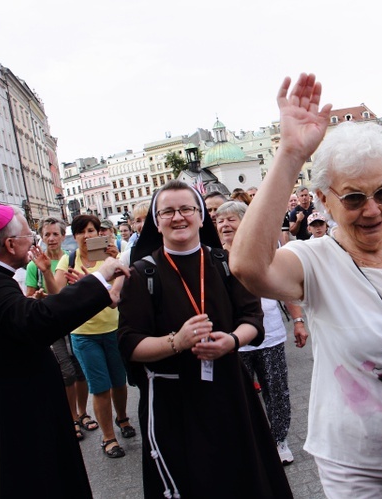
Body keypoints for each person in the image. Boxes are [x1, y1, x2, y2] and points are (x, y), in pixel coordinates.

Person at [231, 74, 382, 498]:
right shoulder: (315, 260)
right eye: (353, 198)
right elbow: (249, 267)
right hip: (354, 463)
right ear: (324, 199)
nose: (372, 211)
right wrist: (290, 154)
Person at [117, 180, 293, 498]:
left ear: (201, 217)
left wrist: (232, 341)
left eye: (186, 208)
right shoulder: (142, 275)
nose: (178, 217)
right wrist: (177, 341)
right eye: (168, 211)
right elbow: (129, 345)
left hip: (229, 389)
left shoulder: (226, 263)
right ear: (156, 222)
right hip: (174, 400)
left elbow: (252, 319)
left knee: (243, 477)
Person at [0, 204, 129, 498]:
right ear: (10, 244)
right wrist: (100, 279)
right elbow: (39, 321)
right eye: (28, 237)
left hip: (2, 403)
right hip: (19, 411)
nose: (34, 244)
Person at [216, 200, 308, 465]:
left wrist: (299, 320)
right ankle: (248, 445)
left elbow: (286, 288)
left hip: (270, 336)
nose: (224, 224)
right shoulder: (212, 257)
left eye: (231, 219)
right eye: (220, 220)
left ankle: (279, 441)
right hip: (232, 341)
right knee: (238, 397)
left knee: (277, 392)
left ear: (246, 222)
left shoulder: (266, 251)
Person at [53, 215, 135, 459]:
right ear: (75, 236)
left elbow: (114, 301)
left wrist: (113, 262)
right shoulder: (68, 261)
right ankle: (108, 438)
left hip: (113, 329)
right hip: (84, 333)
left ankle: (122, 418)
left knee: (119, 381)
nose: (88, 236)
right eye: (82, 231)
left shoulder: (111, 259)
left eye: (92, 230)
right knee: (100, 387)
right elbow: (57, 296)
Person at [25, 217, 91, 441]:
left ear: (64, 236)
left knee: (81, 369)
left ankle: (82, 412)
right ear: (41, 238)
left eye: (55, 234)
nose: (51, 238)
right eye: (47, 235)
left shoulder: (70, 259)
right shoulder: (35, 265)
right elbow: (28, 297)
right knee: (67, 371)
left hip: (73, 321)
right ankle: (71, 417)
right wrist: (38, 297)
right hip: (52, 325)